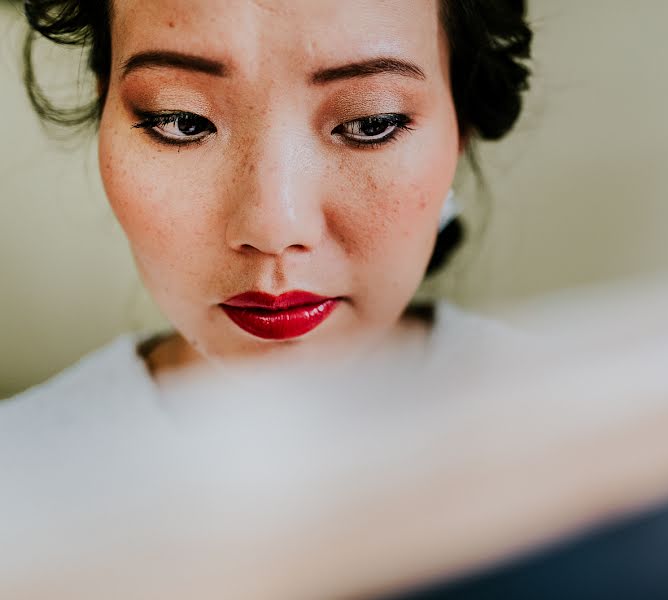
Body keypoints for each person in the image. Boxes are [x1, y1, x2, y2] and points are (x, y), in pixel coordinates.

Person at [11, 0, 533, 400]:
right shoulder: (24, 473)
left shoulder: (580, 435)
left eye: (371, 123)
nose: (274, 229)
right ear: (105, 111)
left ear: (460, 124)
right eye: (182, 120)